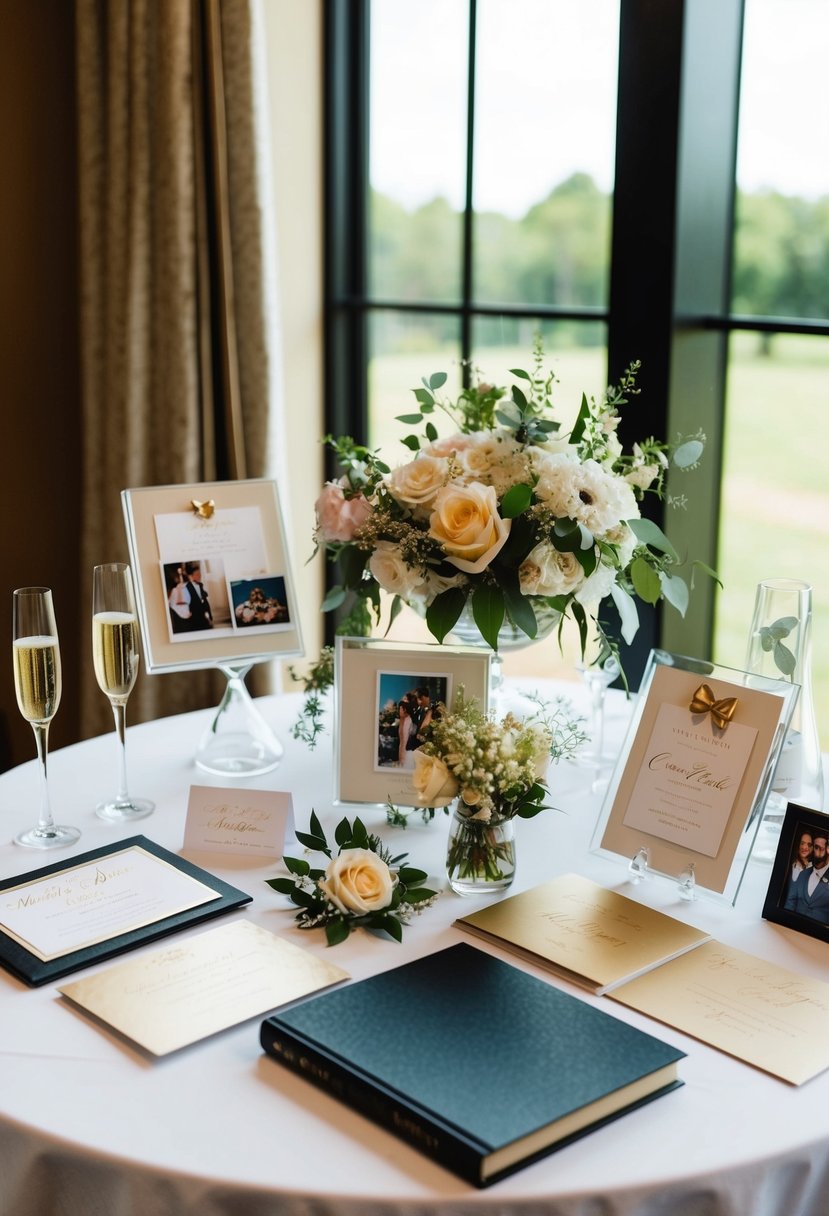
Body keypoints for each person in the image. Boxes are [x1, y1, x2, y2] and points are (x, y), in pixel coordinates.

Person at [784, 831, 829, 923]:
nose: (818, 852)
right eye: (815, 847)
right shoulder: (802, 873)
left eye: (821, 848)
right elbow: (790, 901)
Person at [183, 562, 213, 631]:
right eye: (197, 575)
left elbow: (205, 603)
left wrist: (209, 617)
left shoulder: (200, 585)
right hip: (194, 616)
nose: (199, 576)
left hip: (202, 614)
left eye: (200, 574)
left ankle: (208, 620)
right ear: (191, 576)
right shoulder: (187, 587)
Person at [398, 696, 417, 767]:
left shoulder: (408, 721)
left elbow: (404, 741)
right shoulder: (403, 720)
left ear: (405, 710)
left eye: (400, 709)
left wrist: (402, 759)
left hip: (407, 755)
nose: (399, 711)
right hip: (402, 753)